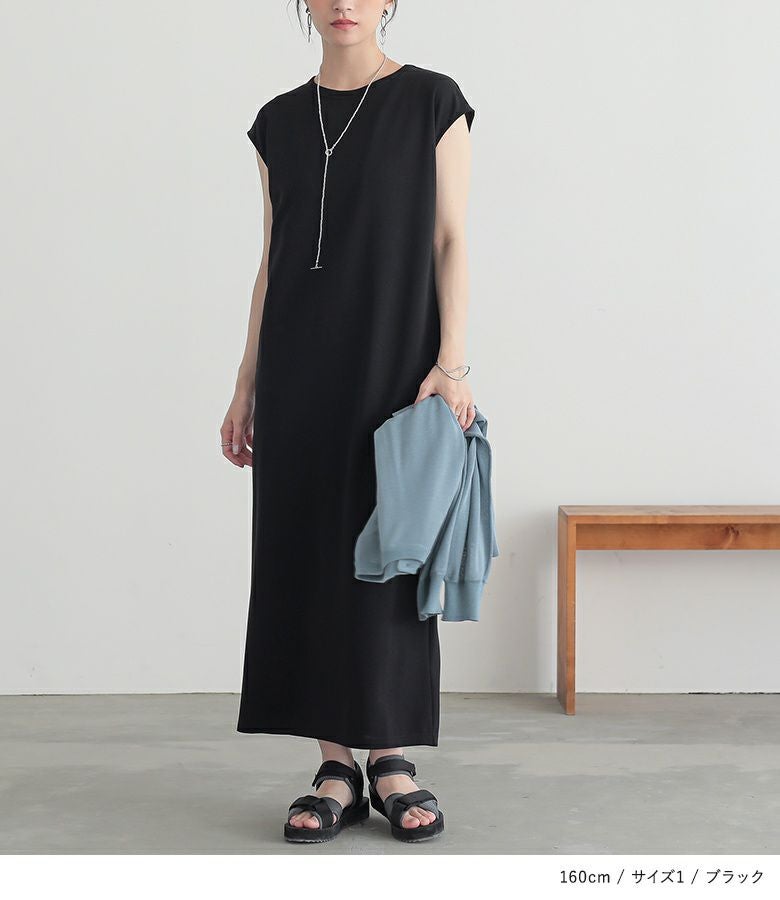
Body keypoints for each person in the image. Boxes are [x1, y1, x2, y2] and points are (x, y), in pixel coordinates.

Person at [221, 0, 476, 843]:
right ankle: (336, 765)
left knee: (389, 555)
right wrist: (246, 383)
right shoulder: (277, 123)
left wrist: (450, 363)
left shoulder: (433, 101)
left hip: (397, 362)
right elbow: (273, 260)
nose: (344, 4)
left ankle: (391, 757)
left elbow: (451, 239)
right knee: (307, 553)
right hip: (298, 370)